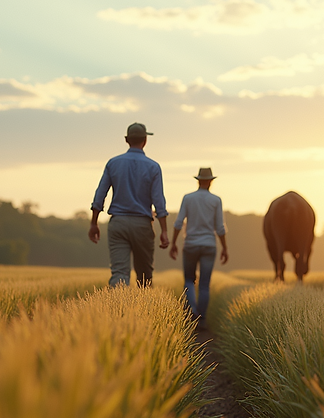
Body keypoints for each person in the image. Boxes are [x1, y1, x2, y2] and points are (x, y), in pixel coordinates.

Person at [89, 122, 170, 287]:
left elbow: (100, 195)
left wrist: (94, 223)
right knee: (145, 276)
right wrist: (164, 231)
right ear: (145, 140)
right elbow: (159, 202)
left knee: (119, 273)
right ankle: (143, 311)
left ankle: (116, 311)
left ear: (127, 140)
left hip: (118, 224)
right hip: (142, 225)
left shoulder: (113, 163)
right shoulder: (153, 167)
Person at [170, 167, 228, 329]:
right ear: (210, 181)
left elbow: (178, 222)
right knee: (204, 284)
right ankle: (201, 319)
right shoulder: (216, 200)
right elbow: (220, 228)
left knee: (189, 280)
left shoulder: (188, 198)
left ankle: (192, 310)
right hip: (209, 245)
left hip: (190, 245)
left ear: (198, 180)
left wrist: (174, 243)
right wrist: (224, 248)